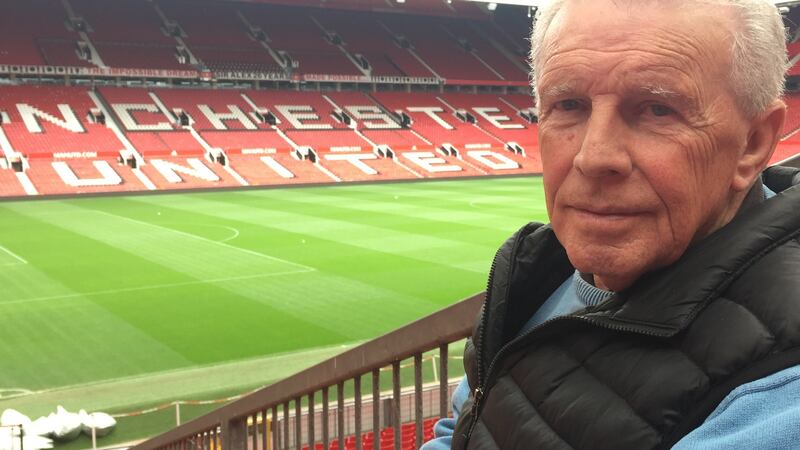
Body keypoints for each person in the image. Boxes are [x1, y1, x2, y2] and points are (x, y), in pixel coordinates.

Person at [422, 0, 800, 449]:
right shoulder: (534, 273)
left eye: (657, 109)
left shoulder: (777, 394)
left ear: (752, 144)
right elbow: (461, 428)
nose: (593, 156)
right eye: (568, 104)